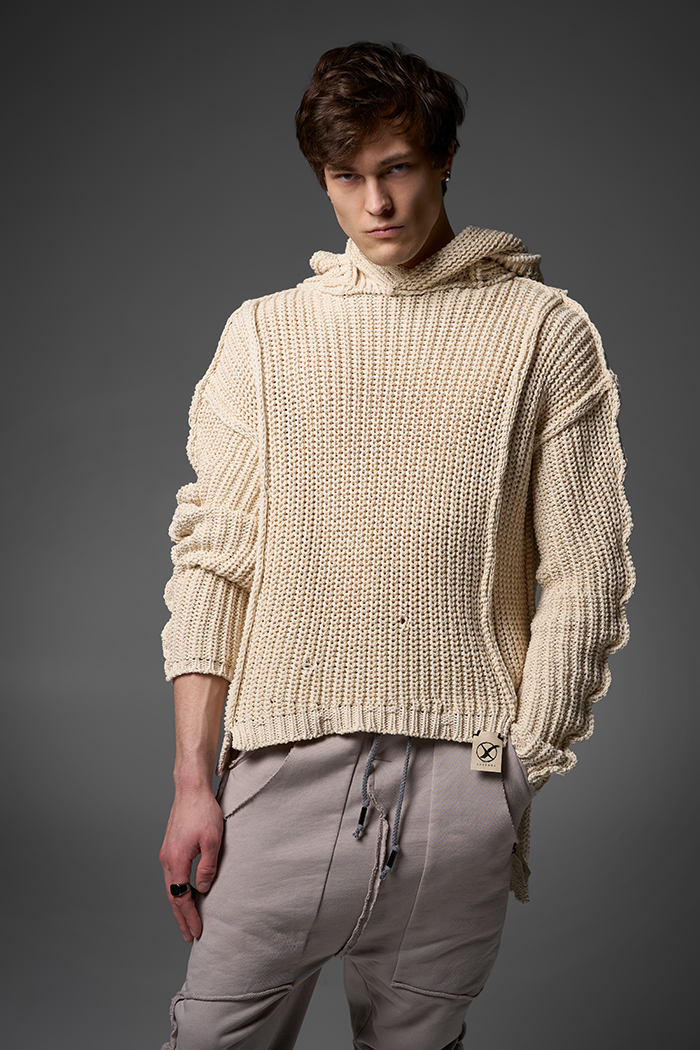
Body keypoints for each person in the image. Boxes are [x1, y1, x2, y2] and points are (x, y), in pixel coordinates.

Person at [158, 41, 634, 1050]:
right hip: (282, 774)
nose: (375, 202)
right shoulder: (263, 336)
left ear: (446, 157)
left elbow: (585, 569)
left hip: (461, 783)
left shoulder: (543, 332)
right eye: (346, 176)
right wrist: (194, 783)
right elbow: (212, 562)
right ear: (322, 179)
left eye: (398, 167)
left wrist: (516, 772)